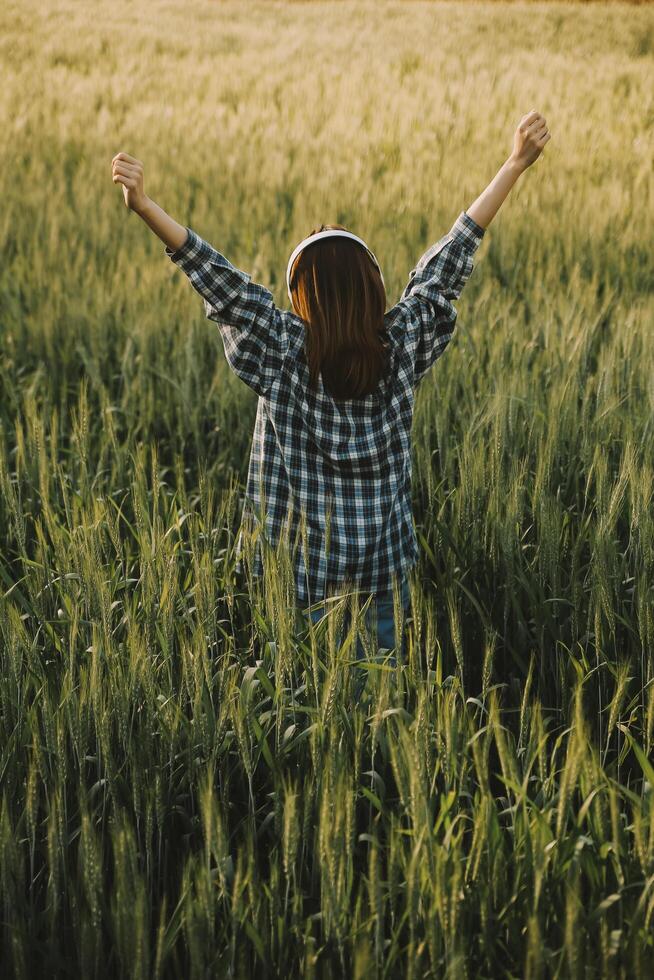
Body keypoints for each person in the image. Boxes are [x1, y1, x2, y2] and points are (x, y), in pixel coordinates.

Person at [111, 110, 551, 674]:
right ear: (373, 288)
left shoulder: (280, 348)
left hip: (297, 573)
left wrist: (146, 206)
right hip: (382, 568)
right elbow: (448, 264)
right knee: (384, 689)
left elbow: (219, 279)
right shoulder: (402, 345)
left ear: (302, 298)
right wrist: (513, 163)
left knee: (302, 689)